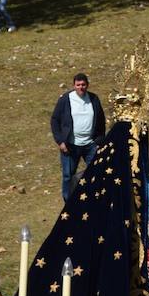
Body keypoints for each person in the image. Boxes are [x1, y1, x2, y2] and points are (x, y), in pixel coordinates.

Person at [50, 72, 107, 202]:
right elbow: (55, 120)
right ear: (74, 85)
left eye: (83, 85)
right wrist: (60, 141)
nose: (81, 87)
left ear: (87, 85)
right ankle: (68, 204)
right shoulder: (66, 99)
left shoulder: (93, 99)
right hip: (70, 145)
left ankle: (94, 201)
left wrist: (99, 141)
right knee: (68, 176)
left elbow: (101, 120)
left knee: (96, 172)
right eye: (78, 85)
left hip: (90, 144)